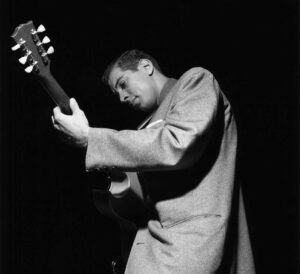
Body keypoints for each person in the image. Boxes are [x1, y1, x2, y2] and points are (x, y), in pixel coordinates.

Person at [52, 49, 255, 273]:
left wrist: (92, 138)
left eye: (122, 83)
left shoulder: (196, 81)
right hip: (153, 249)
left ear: (146, 67)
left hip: (189, 246)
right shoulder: (146, 128)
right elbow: (141, 198)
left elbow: (178, 142)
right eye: (115, 93)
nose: (121, 97)